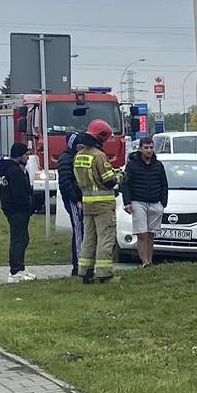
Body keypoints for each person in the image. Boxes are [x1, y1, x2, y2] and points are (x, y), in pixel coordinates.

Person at [72, 120, 121, 284]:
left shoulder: (79, 156)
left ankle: (85, 271)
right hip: (104, 205)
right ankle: (105, 274)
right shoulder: (99, 156)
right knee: (105, 239)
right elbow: (108, 181)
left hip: (87, 204)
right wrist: (119, 176)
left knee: (89, 239)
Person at [121, 137, 169, 267]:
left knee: (150, 234)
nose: (149, 150)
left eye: (151, 147)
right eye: (146, 148)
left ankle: (149, 260)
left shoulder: (158, 165)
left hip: (155, 202)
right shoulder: (132, 165)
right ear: (140, 149)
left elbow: (164, 184)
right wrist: (127, 202)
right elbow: (125, 184)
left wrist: (163, 202)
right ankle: (144, 262)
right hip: (138, 201)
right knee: (141, 233)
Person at [0, 143, 36, 283]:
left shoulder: (5, 169)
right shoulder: (15, 172)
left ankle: (20, 268)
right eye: (26, 155)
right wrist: (28, 206)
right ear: (19, 155)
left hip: (10, 209)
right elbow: (20, 193)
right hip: (18, 210)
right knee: (18, 240)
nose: (28, 157)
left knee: (23, 239)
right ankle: (15, 271)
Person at [56, 132, 84, 277]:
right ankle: (78, 265)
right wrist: (76, 199)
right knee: (78, 231)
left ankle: (84, 263)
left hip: (82, 199)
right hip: (74, 201)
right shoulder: (66, 159)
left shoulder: (77, 157)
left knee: (85, 232)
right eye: (79, 145)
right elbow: (65, 183)